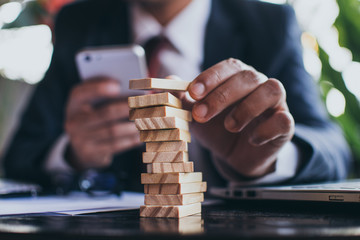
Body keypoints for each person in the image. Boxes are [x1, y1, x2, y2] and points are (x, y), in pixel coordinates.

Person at [2, 0, 352, 193]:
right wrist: (73, 153)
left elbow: (333, 149)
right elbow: (20, 154)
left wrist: (265, 159)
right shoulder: (79, 21)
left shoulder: (270, 21)